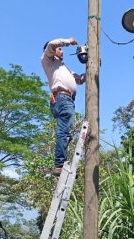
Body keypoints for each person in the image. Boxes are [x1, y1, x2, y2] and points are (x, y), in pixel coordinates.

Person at [42, 38, 86, 176]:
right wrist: (68, 42)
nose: (62, 50)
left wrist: (94, 65)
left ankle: (61, 164)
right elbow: (51, 44)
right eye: (60, 49)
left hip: (66, 99)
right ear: (52, 51)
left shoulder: (64, 68)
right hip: (62, 98)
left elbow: (80, 79)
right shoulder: (48, 61)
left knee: (66, 132)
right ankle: (60, 165)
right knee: (64, 132)